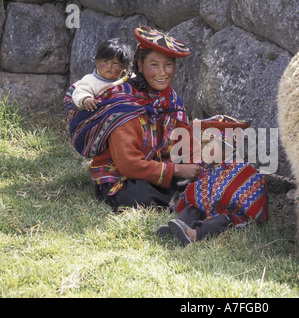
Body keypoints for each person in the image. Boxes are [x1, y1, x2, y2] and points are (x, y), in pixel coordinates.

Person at [64, 25, 202, 211]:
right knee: (138, 195)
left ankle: (188, 195)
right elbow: (128, 164)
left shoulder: (170, 99)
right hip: (121, 175)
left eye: (168, 64)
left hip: (157, 164)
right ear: (139, 64)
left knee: (203, 180)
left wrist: (199, 165)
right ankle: (183, 199)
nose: (163, 73)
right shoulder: (123, 103)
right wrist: (176, 170)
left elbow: (185, 141)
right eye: (154, 65)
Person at [158, 115, 270, 246]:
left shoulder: (243, 171)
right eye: (203, 144)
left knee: (221, 221)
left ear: (227, 147)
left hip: (230, 215)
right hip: (208, 210)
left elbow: (253, 199)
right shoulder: (207, 169)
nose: (204, 150)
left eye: (209, 145)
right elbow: (197, 192)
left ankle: (193, 234)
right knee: (192, 210)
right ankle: (178, 225)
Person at [72, 38, 133, 111]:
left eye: (115, 63)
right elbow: (80, 92)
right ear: (97, 63)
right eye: (105, 61)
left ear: (124, 67)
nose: (109, 66)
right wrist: (86, 99)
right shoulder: (90, 80)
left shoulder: (129, 80)